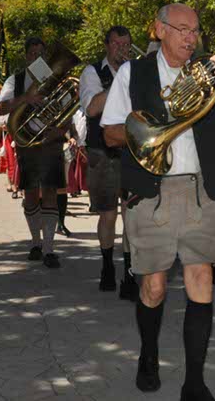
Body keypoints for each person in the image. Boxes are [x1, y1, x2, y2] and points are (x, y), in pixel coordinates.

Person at [101, 3, 215, 400]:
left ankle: (194, 382)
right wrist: (147, 127)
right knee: (154, 287)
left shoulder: (208, 75)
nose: (190, 38)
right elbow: (111, 132)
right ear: (159, 30)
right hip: (151, 192)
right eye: (182, 29)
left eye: (195, 30)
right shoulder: (134, 73)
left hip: (200, 190)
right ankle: (149, 354)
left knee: (201, 281)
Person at [78, 25, 139, 298]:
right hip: (102, 150)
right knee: (108, 214)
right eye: (117, 44)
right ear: (107, 45)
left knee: (131, 215)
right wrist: (121, 79)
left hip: (131, 149)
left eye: (126, 45)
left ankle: (128, 274)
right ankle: (106, 267)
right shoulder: (92, 72)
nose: (122, 50)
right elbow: (91, 107)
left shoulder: (137, 71)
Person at [0, 37, 67, 269]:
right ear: (27, 56)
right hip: (28, 142)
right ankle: (35, 242)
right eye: (33, 53)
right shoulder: (15, 80)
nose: (37, 57)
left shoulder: (56, 79)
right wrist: (25, 98)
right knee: (30, 194)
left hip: (50, 141)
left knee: (49, 193)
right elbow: (0, 107)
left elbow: (68, 106)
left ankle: (48, 247)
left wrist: (62, 128)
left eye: (41, 54)